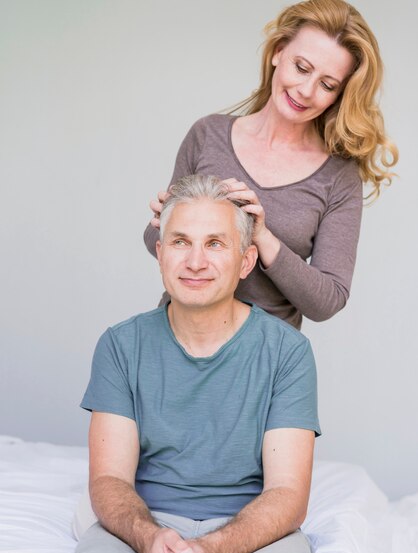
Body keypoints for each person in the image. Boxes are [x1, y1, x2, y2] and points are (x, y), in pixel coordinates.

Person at [58, 175, 320, 553]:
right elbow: (109, 480)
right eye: (180, 241)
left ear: (245, 261)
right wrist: (151, 539)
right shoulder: (122, 345)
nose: (195, 261)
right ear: (160, 254)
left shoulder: (287, 352)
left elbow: (287, 493)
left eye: (215, 243)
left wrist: (212, 550)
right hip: (141, 522)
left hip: (252, 530)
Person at [144, 0, 397, 330]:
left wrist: (262, 236)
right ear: (278, 52)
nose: (305, 90)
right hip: (178, 338)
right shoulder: (208, 134)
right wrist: (165, 222)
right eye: (302, 68)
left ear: (340, 94)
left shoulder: (338, 177)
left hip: (266, 359)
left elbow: (327, 301)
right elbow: (158, 246)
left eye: (327, 84)